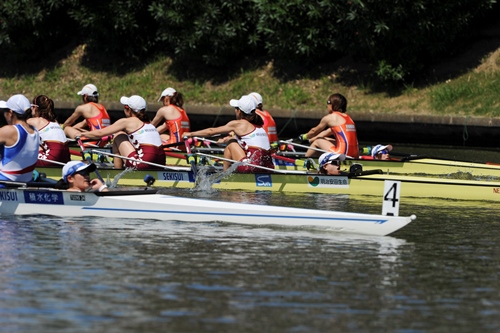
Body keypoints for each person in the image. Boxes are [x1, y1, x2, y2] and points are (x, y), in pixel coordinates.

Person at [184, 95, 274, 172]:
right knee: (231, 140)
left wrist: (190, 134)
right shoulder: (259, 125)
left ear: (239, 111)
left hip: (252, 167)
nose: (235, 110)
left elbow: (211, 132)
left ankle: (225, 175)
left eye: (236, 108)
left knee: (231, 144)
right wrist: (224, 140)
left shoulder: (238, 124)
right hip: (269, 167)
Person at [80, 95, 166, 170]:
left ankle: (117, 171)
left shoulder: (127, 122)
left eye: (125, 107)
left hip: (144, 162)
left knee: (118, 135)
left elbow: (99, 134)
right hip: (161, 162)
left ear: (129, 109)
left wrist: (82, 134)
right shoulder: (149, 124)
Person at [300, 93, 359, 159]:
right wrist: (310, 140)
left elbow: (314, 131)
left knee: (318, 141)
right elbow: (325, 133)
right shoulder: (349, 118)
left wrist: (304, 136)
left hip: (341, 154)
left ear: (333, 104)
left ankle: (304, 161)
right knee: (325, 139)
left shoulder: (330, 118)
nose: (327, 105)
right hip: (355, 154)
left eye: (328, 102)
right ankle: (319, 160)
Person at [0, 94, 40, 183]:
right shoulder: (35, 131)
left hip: (4, 182)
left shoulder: (10, 131)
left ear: (10, 113)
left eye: (4, 112)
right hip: (25, 182)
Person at [28, 95, 71, 166]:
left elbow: (15, 128)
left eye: (32, 106)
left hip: (53, 157)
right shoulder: (55, 122)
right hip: (66, 157)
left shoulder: (35, 121)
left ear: (35, 108)